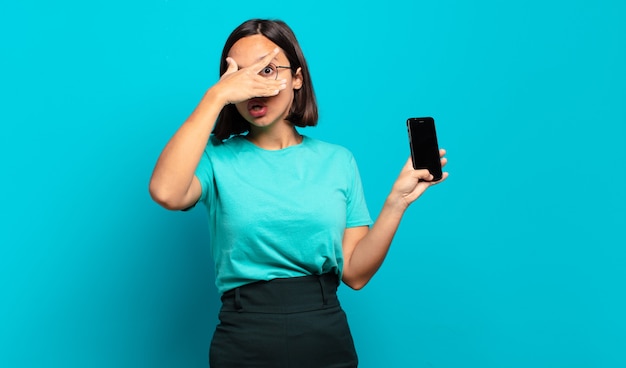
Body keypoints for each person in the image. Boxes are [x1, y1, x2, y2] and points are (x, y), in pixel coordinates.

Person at [149, 18, 448, 368]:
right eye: (240, 74)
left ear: (297, 78)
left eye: (267, 70)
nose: (253, 86)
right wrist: (216, 96)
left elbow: (355, 273)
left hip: (324, 332)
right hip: (244, 335)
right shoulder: (215, 159)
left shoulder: (337, 161)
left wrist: (396, 203)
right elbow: (166, 192)